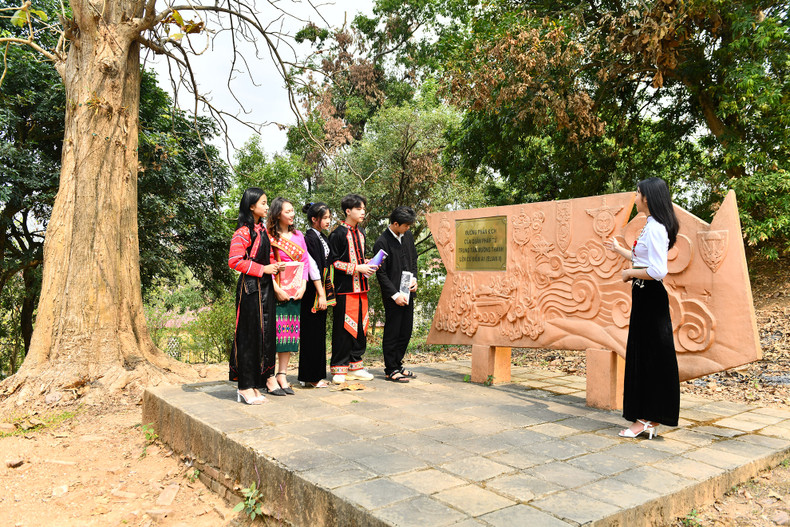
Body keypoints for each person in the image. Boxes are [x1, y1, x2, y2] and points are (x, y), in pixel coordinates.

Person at [605, 177, 680, 439]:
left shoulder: (657, 228)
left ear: (647, 198)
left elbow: (659, 271)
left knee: (650, 359)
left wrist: (628, 273)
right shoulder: (650, 226)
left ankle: (646, 420)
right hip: (643, 297)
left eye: (637, 193)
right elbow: (642, 258)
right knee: (643, 356)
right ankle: (647, 419)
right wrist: (620, 251)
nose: (635, 198)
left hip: (651, 299)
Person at [227, 188, 286, 404]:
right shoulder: (243, 232)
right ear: (251, 206)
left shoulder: (262, 230)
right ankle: (244, 386)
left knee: (265, 335)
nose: (266, 206)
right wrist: (263, 270)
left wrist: (274, 266)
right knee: (249, 336)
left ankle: (255, 384)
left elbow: (267, 257)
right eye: (263, 203)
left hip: (266, 288)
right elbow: (234, 261)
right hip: (250, 289)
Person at [328, 194, 378, 383]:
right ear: (348, 211)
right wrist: (357, 268)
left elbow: (358, 258)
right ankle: (339, 368)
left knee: (360, 327)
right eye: (359, 209)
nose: (363, 212)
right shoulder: (338, 234)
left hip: (362, 289)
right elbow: (333, 263)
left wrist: (368, 264)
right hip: (344, 289)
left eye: (364, 208)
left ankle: (355, 365)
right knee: (343, 328)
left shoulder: (362, 232)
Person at [267, 197, 310, 395]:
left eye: (293, 211)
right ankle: (268, 374)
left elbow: (305, 263)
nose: (292, 214)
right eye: (288, 211)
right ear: (277, 214)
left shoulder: (299, 235)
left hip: (295, 291)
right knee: (273, 334)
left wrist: (303, 286)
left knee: (289, 334)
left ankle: (282, 375)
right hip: (275, 290)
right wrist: (276, 288)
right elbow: (266, 263)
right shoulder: (269, 236)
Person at [373, 206, 419, 383]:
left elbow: (413, 260)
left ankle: (398, 364)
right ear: (395, 223)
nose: (408, 229)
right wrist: (394, 295)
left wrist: (414, 279)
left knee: (406, 331)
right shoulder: (382, 242)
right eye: (406, 226)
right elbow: (381, 273)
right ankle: (390, 369)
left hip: (408, 292)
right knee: (393, 331)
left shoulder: (407, 236)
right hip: (393, 296)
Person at [298, 202, 332, 388]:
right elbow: (312, 267)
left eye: (328, 217)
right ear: (314, 219)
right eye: (325, 218)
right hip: (312, 291)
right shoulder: (309, 238)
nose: (328, 221)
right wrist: (320, 294)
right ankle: (311, 376)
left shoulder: (321, 237)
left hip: (322, 289)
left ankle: (314, 375)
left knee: (318, 333)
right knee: (312, 334)